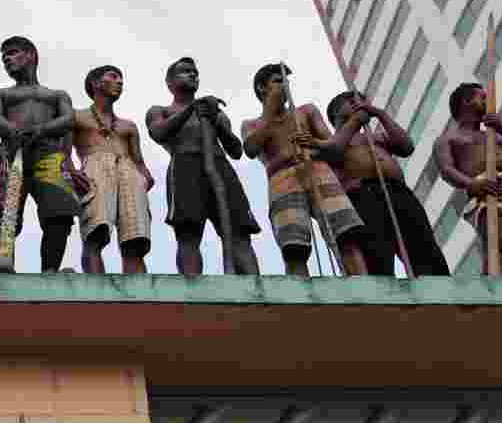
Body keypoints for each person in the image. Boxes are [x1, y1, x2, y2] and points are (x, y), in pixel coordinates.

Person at [241, 63, 369, 276]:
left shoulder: (306, 111)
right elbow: (251, 148)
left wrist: (315, 145)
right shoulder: (251, 124)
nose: (285, 85)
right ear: (262, 88)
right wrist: (270, 111)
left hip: (318, 169)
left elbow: (333, 146)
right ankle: (300, 297)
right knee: (293, 248)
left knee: (345, 235)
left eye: (286, 81)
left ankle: (360, 284)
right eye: (278, 81)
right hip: (281, 179)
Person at [146, 57, 260, 274]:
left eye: (195, 72)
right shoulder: (160, 111)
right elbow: (159, 132)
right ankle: (192, 287)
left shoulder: (214, 111)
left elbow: (236, 151)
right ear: (169, 82)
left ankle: (254, 287)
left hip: (221, 167)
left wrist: (217, 121)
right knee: (188, 233)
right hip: (185, 167)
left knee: (239, 233)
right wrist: (192, 109)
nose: (192, 75)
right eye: (185, 71)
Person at [0, 36, 83, 273]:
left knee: (59, 212)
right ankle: (4, 266)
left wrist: (42, 130)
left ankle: (50, 270)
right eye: (3, 57)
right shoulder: (0, 94)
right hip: (11, 151)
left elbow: (69, 119)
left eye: (13, 53)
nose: (7, 59)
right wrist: (12, 131)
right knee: (0, 211)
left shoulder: (57, 95)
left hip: (48, 153)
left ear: (31, 55)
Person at [326, 91, 449, 276]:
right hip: (363, 193)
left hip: (398, 191)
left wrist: (380, 114)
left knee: (422, 244)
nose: (358, 104)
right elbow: (334, 152)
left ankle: (435, 285)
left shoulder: (376, 137)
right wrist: (356, 121)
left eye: (361, 101)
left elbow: (406, 146)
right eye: (351, 101)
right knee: (377, 248)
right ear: (335, 112)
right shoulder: (332, 141)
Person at [72, 65, 154, 274]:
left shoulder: (128, 126)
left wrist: (144, 178)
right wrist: (71, 171)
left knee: (134, 240)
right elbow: (63, 151)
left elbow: (140, 162)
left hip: (129, 170)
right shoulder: (78, 117)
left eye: (121, 78)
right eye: (114, 76)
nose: (120, 82)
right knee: (95, 232)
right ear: (96, 83)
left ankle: (140, 297)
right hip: (95, 167)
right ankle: (96, 291)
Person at [435, 82, 502, 274]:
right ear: (466, 101)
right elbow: (447, 170)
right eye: (482, 97)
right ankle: (492, 288)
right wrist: (472, 184)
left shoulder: (496, 135)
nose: (488, 102)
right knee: (495, 237)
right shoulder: (448, 139)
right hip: (486, 188)